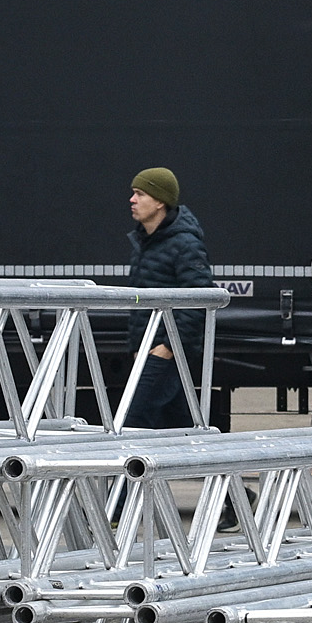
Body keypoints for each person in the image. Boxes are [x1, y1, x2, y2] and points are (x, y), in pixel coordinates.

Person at [116, 167, 211, 430]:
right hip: (147, 350)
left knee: (132, 421)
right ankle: (204, 464)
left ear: (159, 202)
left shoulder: (185, 244)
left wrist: (166, 348)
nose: (132, 200)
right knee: (176, 423)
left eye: (139, 194)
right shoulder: (144, 243)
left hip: (165, 353)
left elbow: (199, 299)